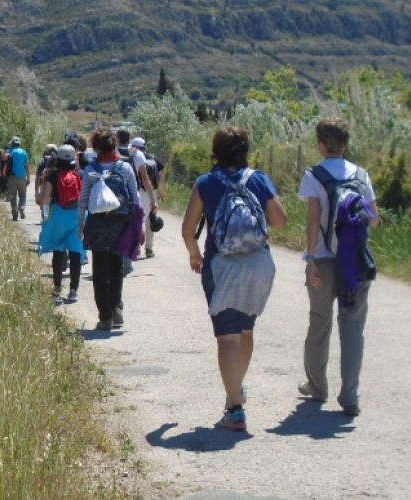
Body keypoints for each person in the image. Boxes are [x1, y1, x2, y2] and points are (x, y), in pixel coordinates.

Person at [181, 126, 288, 431]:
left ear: (216, 150)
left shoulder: (205, 183)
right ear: (245, 151)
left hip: (222, 265)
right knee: (246, 330)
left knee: (227, 337)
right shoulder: (258, 178)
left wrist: (195, 254)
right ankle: (234, 392)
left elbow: (188, 230)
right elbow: (280, 222)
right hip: (258, 264)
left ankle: (236, 409)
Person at [298, 116, 379, 417]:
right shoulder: (361, 174)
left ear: (321, 144)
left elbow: (312, 219)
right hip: (356, 263)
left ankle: (317, 388)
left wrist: (310, 260)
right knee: (353, 325)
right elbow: (374, 218)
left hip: (323, 259)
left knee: (320, 322)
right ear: (345, 144)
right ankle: (351, 397)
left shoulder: (313, 175)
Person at [78, 127, 140, 331]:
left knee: (99, 269)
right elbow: (134, 198)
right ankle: (116, 308)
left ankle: (105, 317)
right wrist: (137, 227)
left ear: (96, 147)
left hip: (97, 223)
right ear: (114, 145)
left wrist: (80, 226)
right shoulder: (125, 168)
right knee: (116, 267)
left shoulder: (90, 170)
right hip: (120, 223)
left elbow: (84, 200)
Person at [36, 144, 84, 303]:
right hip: (77, 216)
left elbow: (43, 200)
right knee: (76, 252)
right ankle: (73, 291)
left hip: (58, 215)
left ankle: (57, 289)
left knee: (58, 252)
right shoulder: (80, 175)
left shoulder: (52, 176)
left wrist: (42, 182)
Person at [128, 137, 160, 259]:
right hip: (150, 191)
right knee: (150, 219)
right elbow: (161, 174)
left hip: (138, 191)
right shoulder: (153, 157)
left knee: (138, 220)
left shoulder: (131, 157)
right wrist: (157, 194)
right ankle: (149, 248)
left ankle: (136, 248)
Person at [4, 136, 30, 221]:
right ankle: (22, 207)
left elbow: (3, 164)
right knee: (22, 195)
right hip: (22, 176)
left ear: (12, 143)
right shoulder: (23, 152)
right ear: (19, 143)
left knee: (13, 196)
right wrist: (28, 178)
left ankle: (15, 214)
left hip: (11, 177)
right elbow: (27, 166)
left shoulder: (8, 152)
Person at [34, 144, 58, 220]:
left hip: (44, 186)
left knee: (44, 207)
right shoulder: (58, 160)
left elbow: (37, 178)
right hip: (55, 189)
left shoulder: (43, 161)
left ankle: (45, 220)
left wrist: (36, 192)